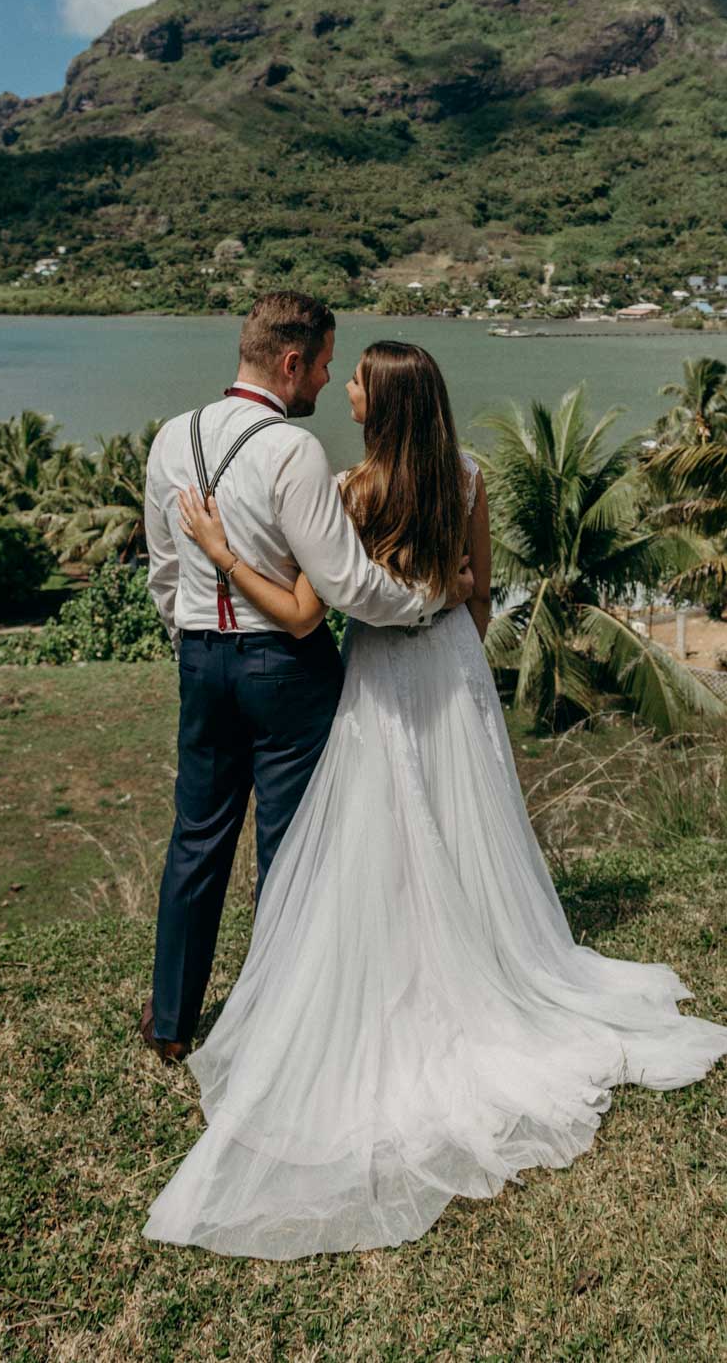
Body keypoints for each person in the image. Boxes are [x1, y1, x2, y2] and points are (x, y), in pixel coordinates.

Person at [143, 339, 727, 1259]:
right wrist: (449, 631)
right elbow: (480, 595)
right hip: (453, 669)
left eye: (357, 384)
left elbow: (319, 607)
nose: (343, 390)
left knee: (382, 828)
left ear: (381, 404)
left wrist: (219, 549)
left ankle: (366, 968)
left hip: (380, 675)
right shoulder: (467, 475)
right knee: (463, 823)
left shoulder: (350, 490)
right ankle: (479, 946)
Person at [140, 294, 470, 1064]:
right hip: (287, 670)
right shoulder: (294, 453)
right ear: (291, 362)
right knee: (291, 849)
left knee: (197, 838)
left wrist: (198, 637)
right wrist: (429, 602)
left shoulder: (167, 439)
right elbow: (349, 587)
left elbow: (162, 571)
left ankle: (170, 1021)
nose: (327, 380)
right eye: (324, 364)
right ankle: (278, 1020)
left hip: (201, 660)